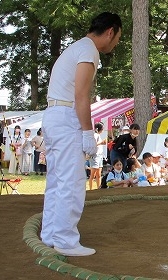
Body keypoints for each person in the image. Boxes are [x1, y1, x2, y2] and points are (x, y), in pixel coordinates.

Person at [40, 12, 122, 257]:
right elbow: (81, 96)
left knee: (57, 180)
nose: (116, 43)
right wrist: (88, 132)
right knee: (72, 182)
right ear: (110, 31)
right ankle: (65, 240)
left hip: (54, 115)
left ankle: (51, 234)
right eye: (117, 37)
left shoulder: (76, 47)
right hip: (66, 118)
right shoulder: (89, 51)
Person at [88, 122, 107, 190]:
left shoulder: (98, 135)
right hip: (95, 156)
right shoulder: (95, 135)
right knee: (93, 174)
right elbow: (93, 144)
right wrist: (101, 143)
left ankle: (99, 187)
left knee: (99, 174)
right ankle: (90, 188)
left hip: (99, 155)